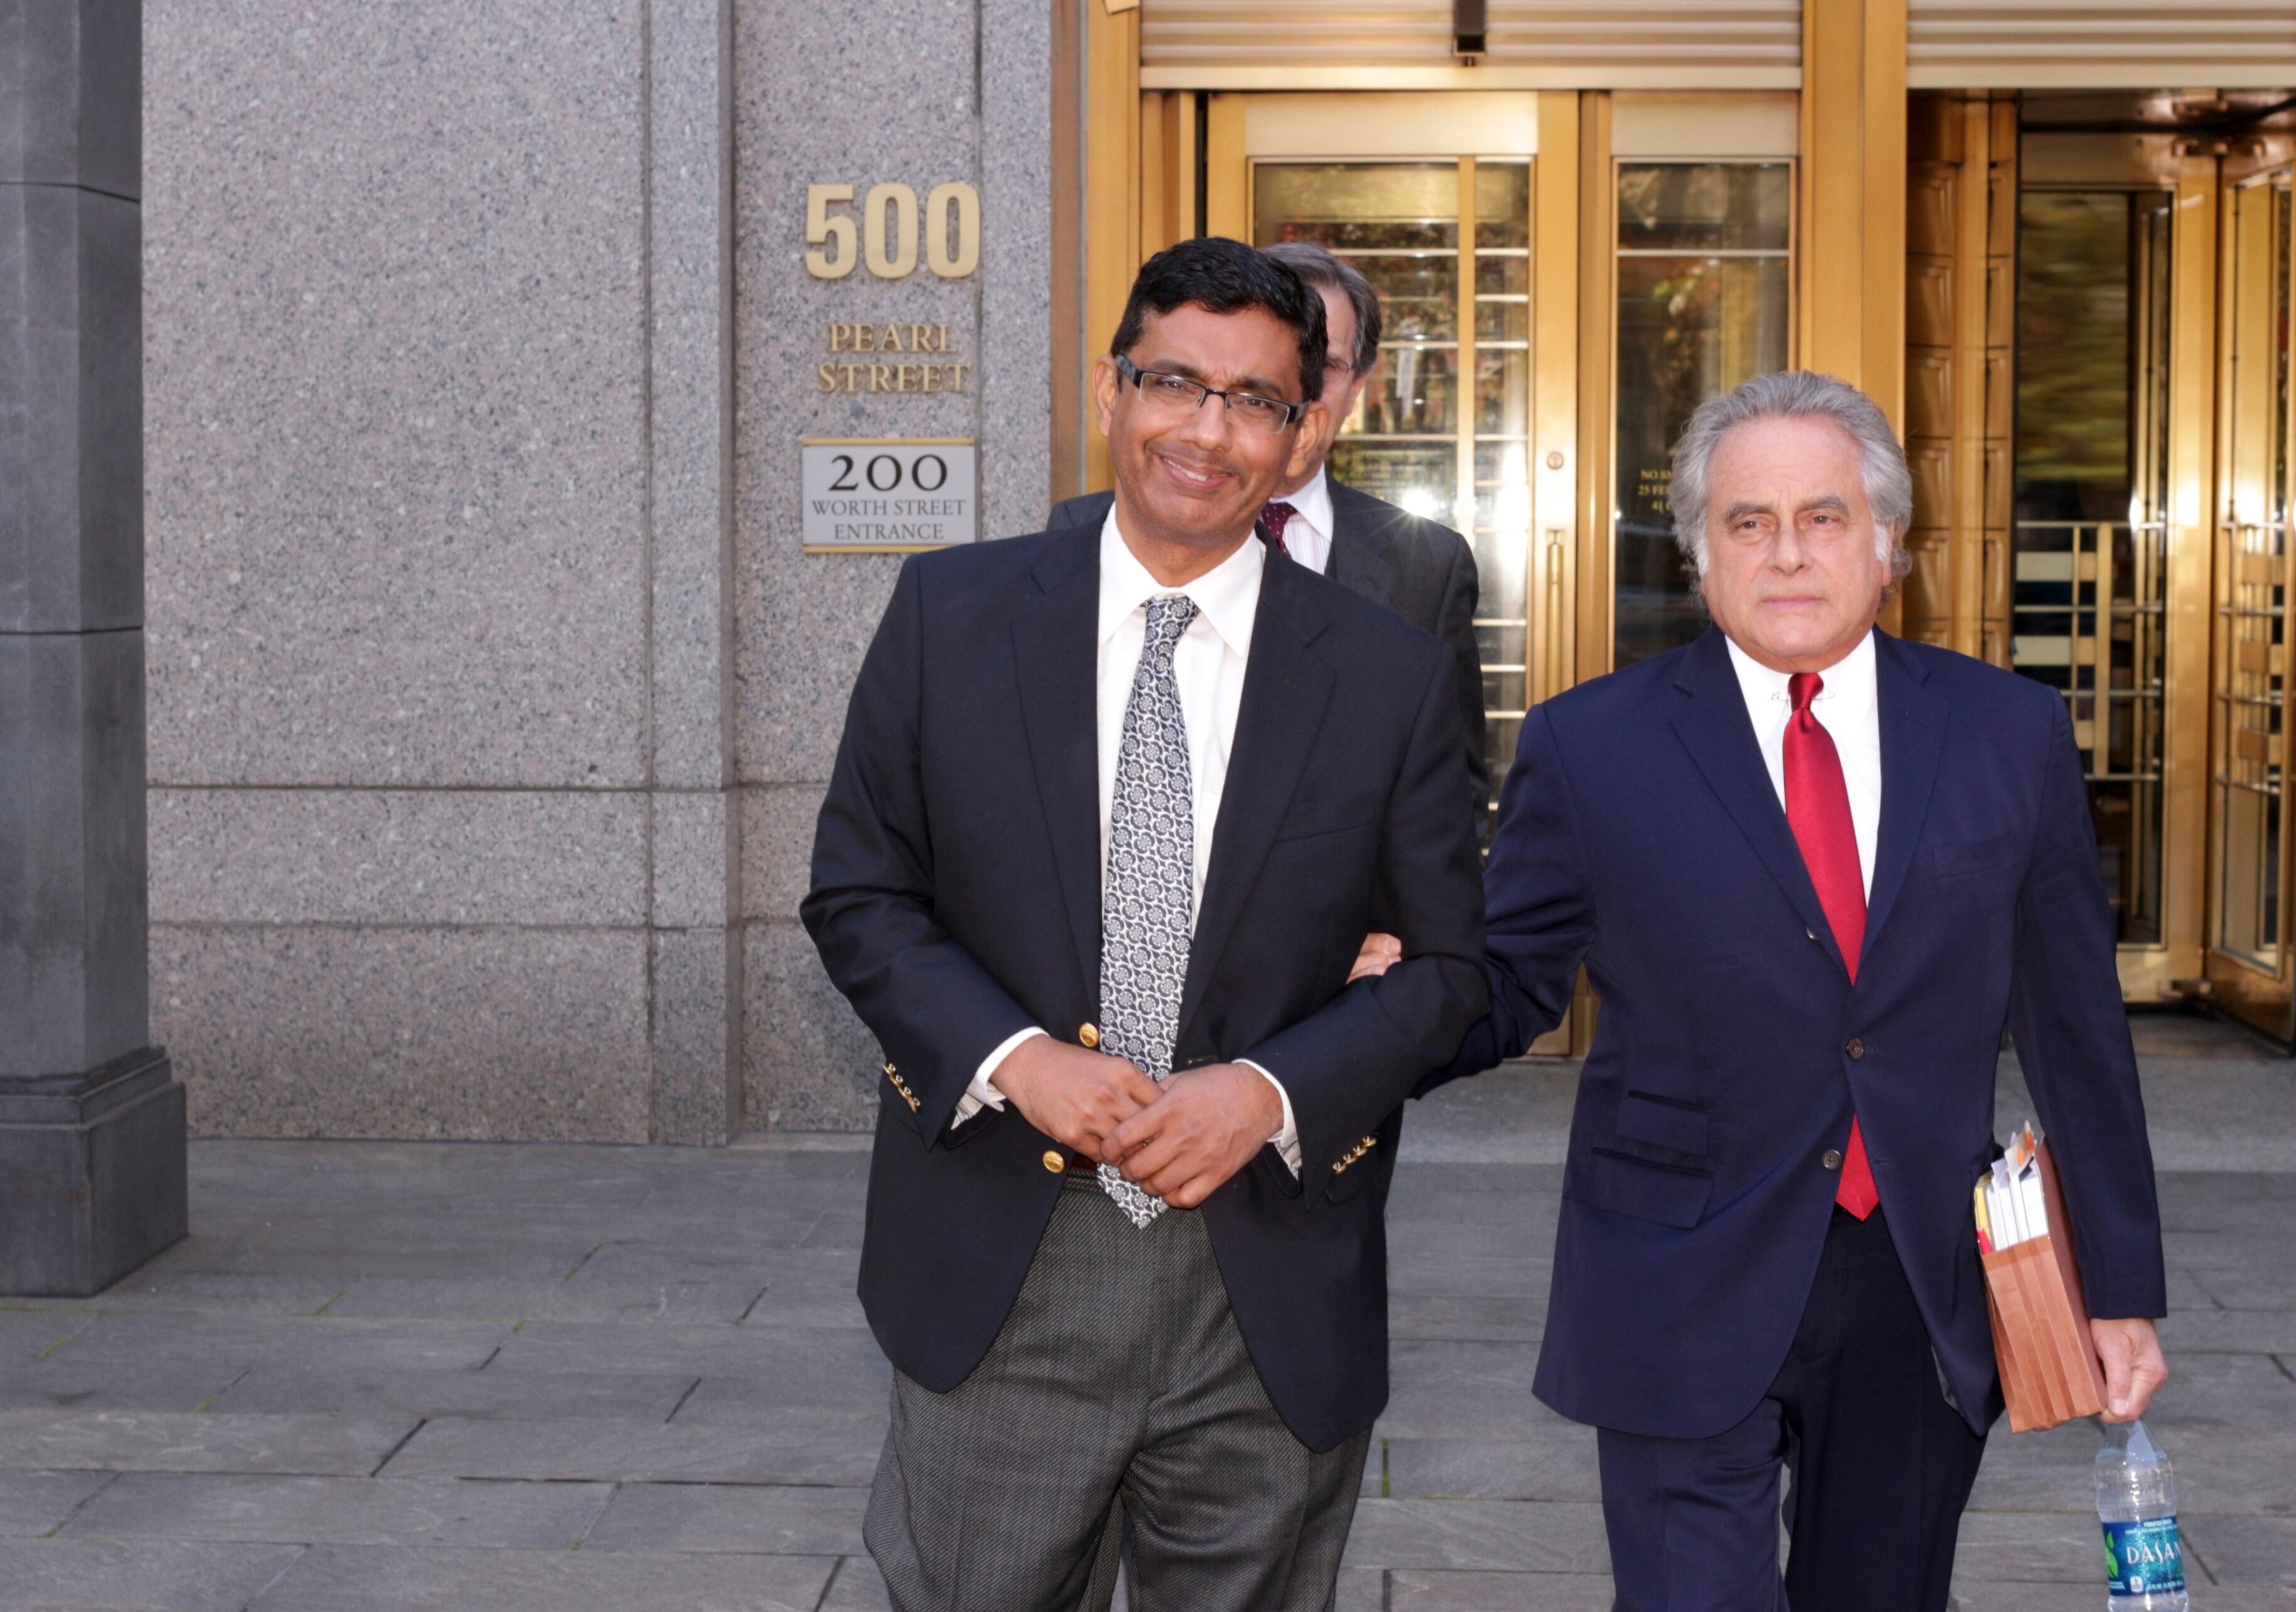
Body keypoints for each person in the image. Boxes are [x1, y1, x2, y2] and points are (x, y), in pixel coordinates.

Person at [803, 237, 1488, 1612]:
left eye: (1254, 398)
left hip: (1268, 1281)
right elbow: (861, 892)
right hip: (1006, 1265)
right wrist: (1015, 1056)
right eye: (1176, 381)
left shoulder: (1384, 673)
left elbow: (1456, 971)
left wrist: (1271, 1088)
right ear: (1112, 389)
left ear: (1298, 431)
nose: (1209, 428)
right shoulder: (953, 617)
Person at [1421, 370, 2170, 1609]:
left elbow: (2076, 1025)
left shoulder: (2007, 733)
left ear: (1889, 548)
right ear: (1699, 561)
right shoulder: (1592, 743)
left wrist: (2124, 1289)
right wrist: (1374, 1005)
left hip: (1919, 1275)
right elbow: (1507, 981)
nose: (1785, 554)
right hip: (1675, 1264)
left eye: (1823, 517)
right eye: (1746, 522)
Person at [1049, 240, 1492, 849]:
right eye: (1179, 383)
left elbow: (1451, 811)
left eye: (1326, 368)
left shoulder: (1427, 567)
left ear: (1356, 387)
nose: (1211, 431)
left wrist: (1393, 937)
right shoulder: (1076, 537)